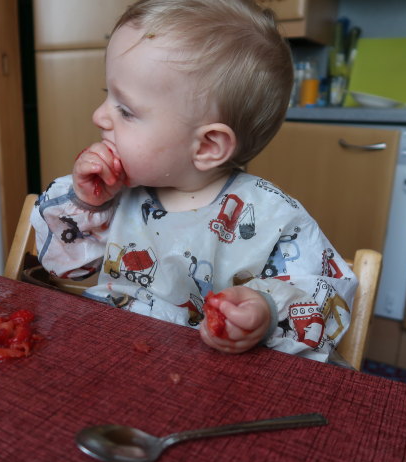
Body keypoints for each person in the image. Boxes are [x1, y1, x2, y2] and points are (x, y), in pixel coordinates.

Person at [31, 0, 357, 362]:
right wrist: (86, 202)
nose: (98, 116)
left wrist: (265, 311)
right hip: (111, 359)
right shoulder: (116, 194)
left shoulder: (272, 218)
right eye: (107, 97)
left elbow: (324, 300)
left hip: (210, 384)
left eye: (125, 110)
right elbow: (65, 268)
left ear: (207, 145)